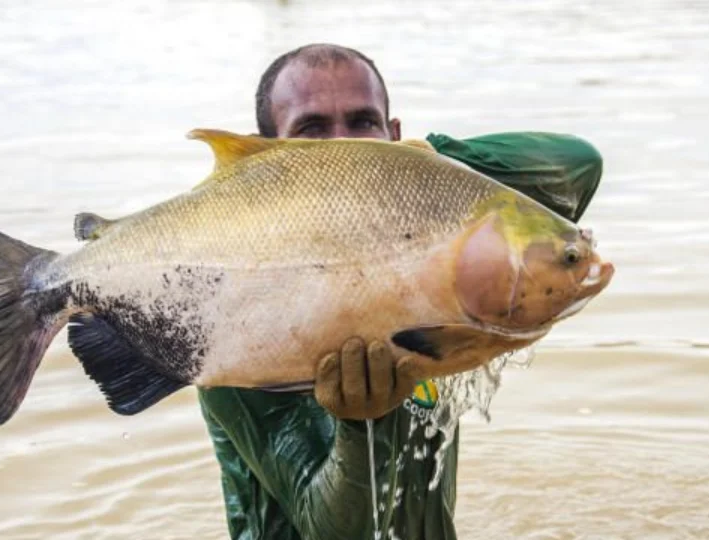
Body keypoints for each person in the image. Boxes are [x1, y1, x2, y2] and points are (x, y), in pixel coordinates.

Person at [197, 43, 602, 540]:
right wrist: (357, 426)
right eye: (312, 130)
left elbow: (577, 165)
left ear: (395, 135)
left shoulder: (430, 266)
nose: (344, 150)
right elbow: (328, 530)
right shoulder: (233, 323)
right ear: (268, 156)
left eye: (363, 124)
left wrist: (423, 171)